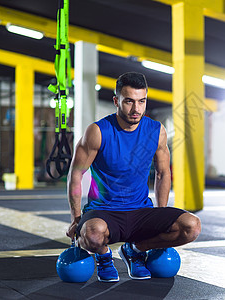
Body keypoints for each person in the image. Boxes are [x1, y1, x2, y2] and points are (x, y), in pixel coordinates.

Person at [66, 72, 201, 282]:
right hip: (104, 211)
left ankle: (135, 250)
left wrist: (161, 212)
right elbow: (76, 174)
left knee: (191, 226)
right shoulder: (98, 131)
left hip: (141, 211)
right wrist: (75, 219)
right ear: (116, 101)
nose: (136, 109)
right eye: (129, 101)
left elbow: (163, 172)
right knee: (91, 234)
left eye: (141, 101)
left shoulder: (156, 131)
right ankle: (103, 257)